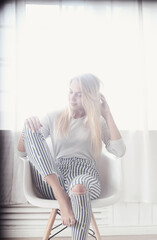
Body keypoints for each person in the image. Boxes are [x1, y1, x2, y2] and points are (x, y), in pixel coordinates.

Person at [17, 73, 126, 240]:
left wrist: (107, 114)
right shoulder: (54, 116)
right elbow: (22, 152)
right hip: (54, 176)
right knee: (29, 128)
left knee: (79, 188)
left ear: (90, 96)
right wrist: (27, 127)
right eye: (70, 92)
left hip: (85, 174)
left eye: (79, 94)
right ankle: (61, 195)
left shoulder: (97, 121)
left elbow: (119, 151)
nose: (72, 98)